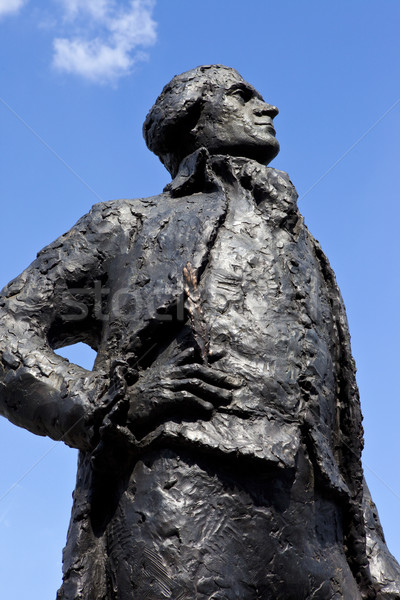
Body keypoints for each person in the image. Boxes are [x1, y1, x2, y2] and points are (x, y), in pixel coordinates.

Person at [0, 65, 399, 599]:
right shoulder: (126, 225)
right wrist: (108, 401)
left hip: (318, 524)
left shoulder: (306, 246)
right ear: (191, 119)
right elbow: (7, 330)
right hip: (181, 506)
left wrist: (372, 556)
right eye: (242, 95)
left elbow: (337, 423)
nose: (269, 107)